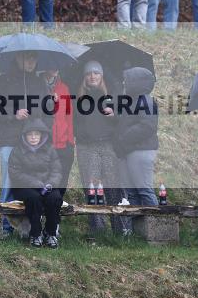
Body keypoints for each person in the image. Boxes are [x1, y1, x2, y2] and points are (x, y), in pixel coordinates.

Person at [0, 53, 50, 233]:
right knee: (9, 184)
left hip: (33, 143)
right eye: (27, 58)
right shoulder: (3, 81)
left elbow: (48, 111)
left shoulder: (40, 83)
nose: (31, 62)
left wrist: (42, 131)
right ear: (17, 58)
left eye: (34, 58)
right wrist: (13, 114)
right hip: (10, 141)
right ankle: (6, 227)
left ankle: (30, 228)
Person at [73, 60, 124, 234]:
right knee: (91, 187)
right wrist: (81, 134)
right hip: (86, 147)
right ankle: (97, 227)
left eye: (96, 73)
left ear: (102, 76)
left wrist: (115, 114)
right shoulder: (78, 97)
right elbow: (72, 121)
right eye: (88, 73)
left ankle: (118, 226)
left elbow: (125, 119)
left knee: (112, 186)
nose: (92, 76)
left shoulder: (113, 94)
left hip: (108, 145)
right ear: (84, 77)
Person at [8, 118, 63, 248]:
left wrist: (50, 183)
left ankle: (50, 233)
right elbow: (15, 173)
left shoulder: (50, 149)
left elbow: (57, 171)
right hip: (25, 187)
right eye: (30, 134)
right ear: (25, 136)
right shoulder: (17, 151)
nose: (33, 137)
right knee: (34, 199)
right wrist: (35, 183)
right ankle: (35, 234)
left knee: (55, 198)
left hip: (47, 186)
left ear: (42, 135)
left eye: (36, 134)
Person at [115, 67, 158, 227]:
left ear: (135, 82)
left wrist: (124, 137)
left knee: (144, 191)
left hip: (141, 151)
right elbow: (129, 121)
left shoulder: (145, 101)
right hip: (129, 151)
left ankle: (155, 229)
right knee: (132, 194)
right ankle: (139, 231)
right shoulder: (133, 101)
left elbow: (148, 126)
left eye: (127, 80)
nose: (124, 83)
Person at [41, 67, 73, 200]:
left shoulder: (63, 88)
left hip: (64, 143)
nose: (55, 68)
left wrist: (70, 140)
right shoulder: (37, 86)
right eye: (51, 65)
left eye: (57, 66)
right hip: (45, 144)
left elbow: (69, 115)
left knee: (61, 181)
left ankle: (56, 208)